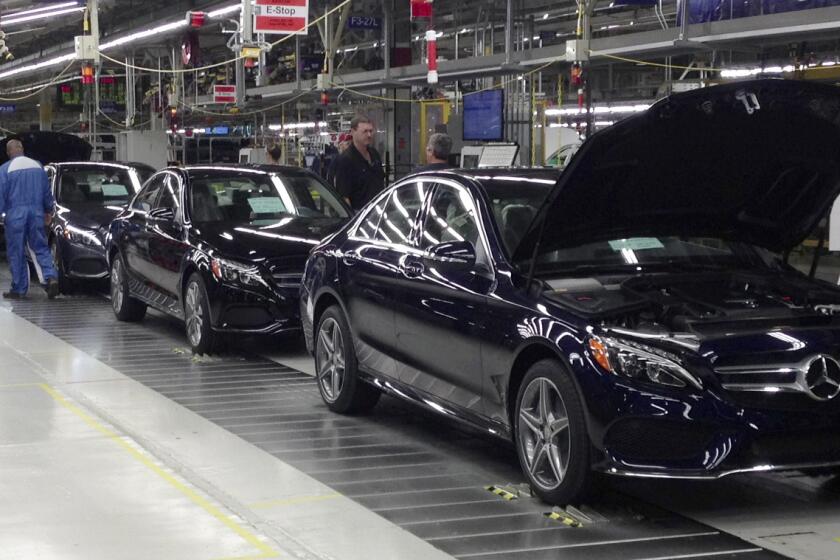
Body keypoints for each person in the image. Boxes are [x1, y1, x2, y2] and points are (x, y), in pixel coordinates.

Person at [0, 139, 59, 299]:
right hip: (36, 214)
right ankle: (50, 277)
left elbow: (1, 196)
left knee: (16, 251)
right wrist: (48, 210)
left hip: (15, 216)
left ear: (8, 152)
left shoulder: (5, 169)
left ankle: (19, 288)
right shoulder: (37, 166)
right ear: (22, 149)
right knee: (40, 246)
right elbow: (46, 192)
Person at [332, 116, 385, 211]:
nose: (369, 135)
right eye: (365, 131)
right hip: (359, 214)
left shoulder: (374, 154)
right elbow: (344, 196)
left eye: (371, 131)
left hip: (378, 211)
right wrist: (353, 220)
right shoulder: (346, 160)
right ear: (353, 132)